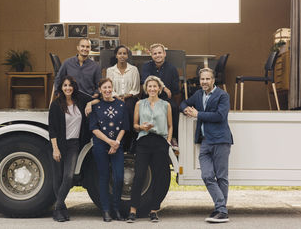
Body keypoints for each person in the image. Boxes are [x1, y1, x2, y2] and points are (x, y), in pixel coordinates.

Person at [179, 68, 233, 223]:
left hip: (221, 140)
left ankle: (220, 210)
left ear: (213, 80)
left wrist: (198, 114)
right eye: (202, 79)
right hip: (205, 141)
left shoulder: (222, 95)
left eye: (207, 79)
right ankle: (221, 208)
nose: (204, 82)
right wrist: (186, 109)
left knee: (222, 177)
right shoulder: (198, 94)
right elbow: (183, 103)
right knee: (207, 175)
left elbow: (220, 116)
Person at [127, 75, 172, 223]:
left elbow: (170, 125)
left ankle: (153, 210)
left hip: (160, 142)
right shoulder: (140, 104)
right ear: (146, 89)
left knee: (159, 178)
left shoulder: (166, 105)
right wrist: (141, 127)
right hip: (144, 141)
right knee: (139, 175)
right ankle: (133, 210)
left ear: (159, 88)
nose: (152, 89)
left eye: (155, 86)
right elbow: (134, 125)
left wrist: (168, 141)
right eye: (149, 86)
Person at [48, 76, 94, 222]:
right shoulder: (56, 105)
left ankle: (58, 207)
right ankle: (61, 210)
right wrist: (55, 149)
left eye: (70, 85)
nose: (68, 88)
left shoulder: (79, 101)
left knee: (68, 176)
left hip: (74, 145)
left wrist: (90, 104)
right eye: (65, 85)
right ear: (61, 88)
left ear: (73, 87)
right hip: (59, 144)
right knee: (59, 177)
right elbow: (53, 129)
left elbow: (97, 99)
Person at [89, 78, 129, 222]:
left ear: (113, 88)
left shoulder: (121, 104)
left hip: (117, 145)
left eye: (109, 87)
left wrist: (116, 142)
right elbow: (94, 128)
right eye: (104, 88)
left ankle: (116, 209)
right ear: (100, 90)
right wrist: (109, 142)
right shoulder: (96, 106)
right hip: (101, 145)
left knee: (119, 178)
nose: (107, 90)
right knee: (104, 178)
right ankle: (106, 210)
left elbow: (124, 126)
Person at [140, 43, 180, 142]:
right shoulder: (146, 66)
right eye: (155, 53)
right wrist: (163, 87)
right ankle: (138, 137)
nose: (157, 55)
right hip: (149, 97)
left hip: (165, 99)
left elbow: (175, 90)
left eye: (159, 53)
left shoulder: (172, 68)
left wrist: (166, 91)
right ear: (151, 55)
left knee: (174, 108)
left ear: (164, 53)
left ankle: (174, 137)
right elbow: (146, 80)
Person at [106, 45, 140, 150]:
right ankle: (117, 139)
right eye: (119, 53)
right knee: (116, 109)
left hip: (130, 97)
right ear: (116, 55)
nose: (122, 55)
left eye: (124, 53)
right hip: (114, 97)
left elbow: (136, 89)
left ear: (127, 56)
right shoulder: (110, 70)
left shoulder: (133, 69)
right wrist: (116, 96)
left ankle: (130, 139)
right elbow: (108, 87)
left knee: (128, 107)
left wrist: (127, 95)